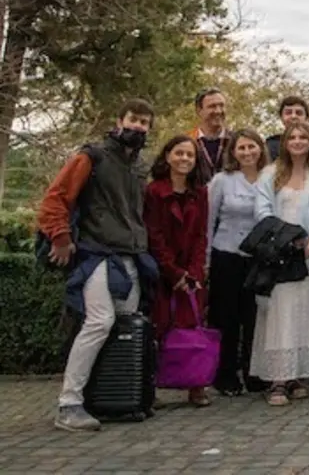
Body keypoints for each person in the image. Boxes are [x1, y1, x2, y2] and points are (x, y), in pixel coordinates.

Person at [40, 99, 158, 432]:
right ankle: (69, 402)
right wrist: (60, 237)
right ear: (119, 120)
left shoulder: (137, 167)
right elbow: (56, 197)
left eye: (145, 123)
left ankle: (113, 398)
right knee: (99, 322)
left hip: (130, 255)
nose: (138, 127)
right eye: (133, 120)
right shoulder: (91, 157)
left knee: (124, 327)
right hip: (98, 254)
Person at [252, 122, 309, 406]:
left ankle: (297, 374)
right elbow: (262, 211)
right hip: (280, 254)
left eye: (304, 137)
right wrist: (287, 238)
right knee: (280, 315)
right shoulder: (270, 173)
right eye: (293, 137)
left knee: (305, 314)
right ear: (285, 142)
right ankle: (277, 378)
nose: (298, 142)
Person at [144, 135, 212, 407]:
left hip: (192, 273)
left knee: (192, 325)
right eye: (179, 153)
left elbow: (200, 235)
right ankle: (152, 385)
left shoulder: (201, 192)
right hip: (163, 271)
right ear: (168, 156)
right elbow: (154, 234)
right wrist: (174, 273)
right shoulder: (154, 191)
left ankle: (196, 384)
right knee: (159, 327)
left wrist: (193, 272)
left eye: (190, 155)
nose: (184, 159)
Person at [207, 129, 270, 396]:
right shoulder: (222, 180)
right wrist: (206, 260)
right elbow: (208, 221)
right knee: (226, 319)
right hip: (226, 254)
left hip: (258, 258)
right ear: (233, 152)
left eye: (251, 147)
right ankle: (226, 375)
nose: (247, 153)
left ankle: (254, 372)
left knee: (256, 318)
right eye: (241, 148)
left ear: (260, 149)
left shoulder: (271, 178)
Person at [189, 88, 230, 178]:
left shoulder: (237, 142)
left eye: (221, 106)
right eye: (212, 106)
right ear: (199, 111)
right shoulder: (188, 142)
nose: (218, 111)